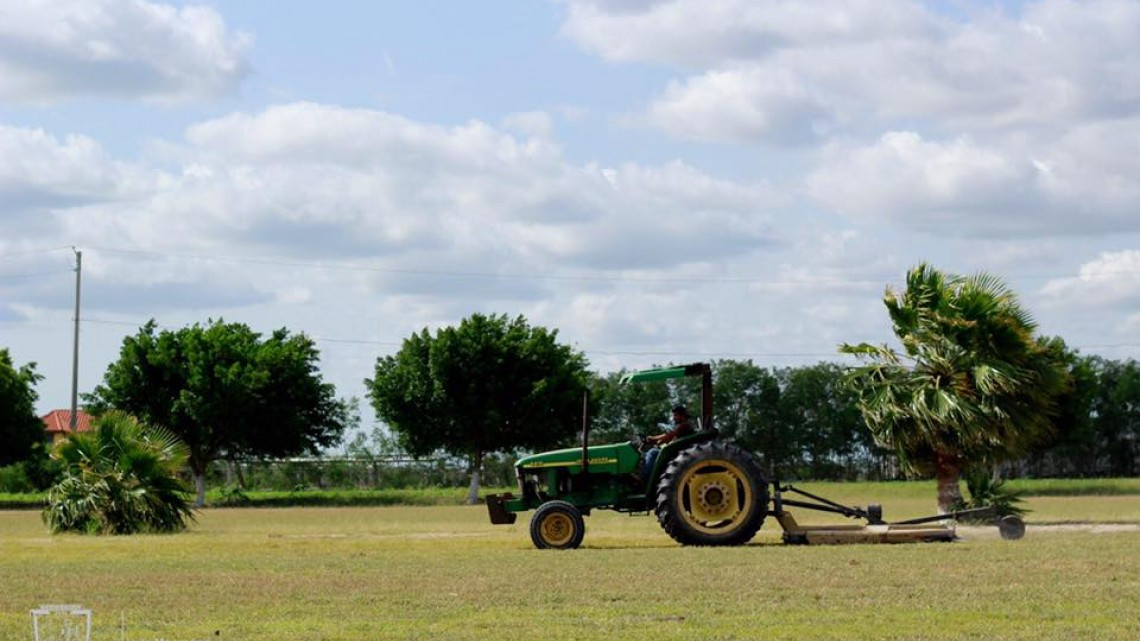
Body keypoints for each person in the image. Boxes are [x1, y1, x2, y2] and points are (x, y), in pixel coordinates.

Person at [640, 405, 696, 481]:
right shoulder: (683, 425)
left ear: (682, 416)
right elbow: (667, 436)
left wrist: (653, 439)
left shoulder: (684, 425)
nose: (673, 418)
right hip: (678, 451)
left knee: (652, 452)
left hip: (679, 452)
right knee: (648, 454)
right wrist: (656, 440)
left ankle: (645, 477)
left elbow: (670, 435)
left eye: (675, 415)